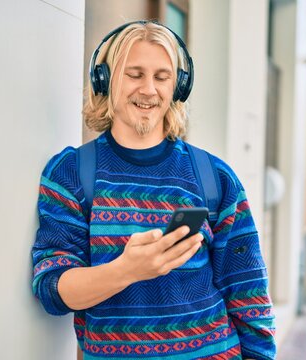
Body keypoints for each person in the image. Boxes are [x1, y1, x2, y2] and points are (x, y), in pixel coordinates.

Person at [32, 21, 276, 360]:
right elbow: (51, 289)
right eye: (135, 74)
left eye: (162, 77)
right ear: (105, 80)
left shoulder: (214, 177)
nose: (149, 89)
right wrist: (128, 269)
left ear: (178, 87)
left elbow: (248, 291)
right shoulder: (72, 173)